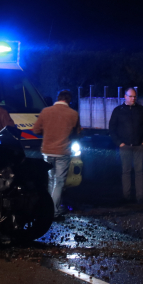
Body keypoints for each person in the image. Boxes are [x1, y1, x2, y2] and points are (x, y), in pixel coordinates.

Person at [32, 90, 81, 218]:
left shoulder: (46, 111)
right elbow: (77, 133)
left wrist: (48, 132)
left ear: (58, 98)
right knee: (59, 181)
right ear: (69, 100)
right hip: (62, 152)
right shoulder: (73, 114)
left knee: (50, 180)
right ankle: (53, 210)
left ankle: (48, 207)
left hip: (47, 151)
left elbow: (36, 129)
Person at [108, 87, 143, 204]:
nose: (133, 98)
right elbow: (112, 128)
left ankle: (140, 197)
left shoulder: (141, 110)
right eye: (131, 96)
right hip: (125, 146)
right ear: (125, 96)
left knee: (139, 171)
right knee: (126, 171)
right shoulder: (118, 110)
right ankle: (126, 196)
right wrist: (119, 143)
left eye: (135, 96)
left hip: (138, 145)